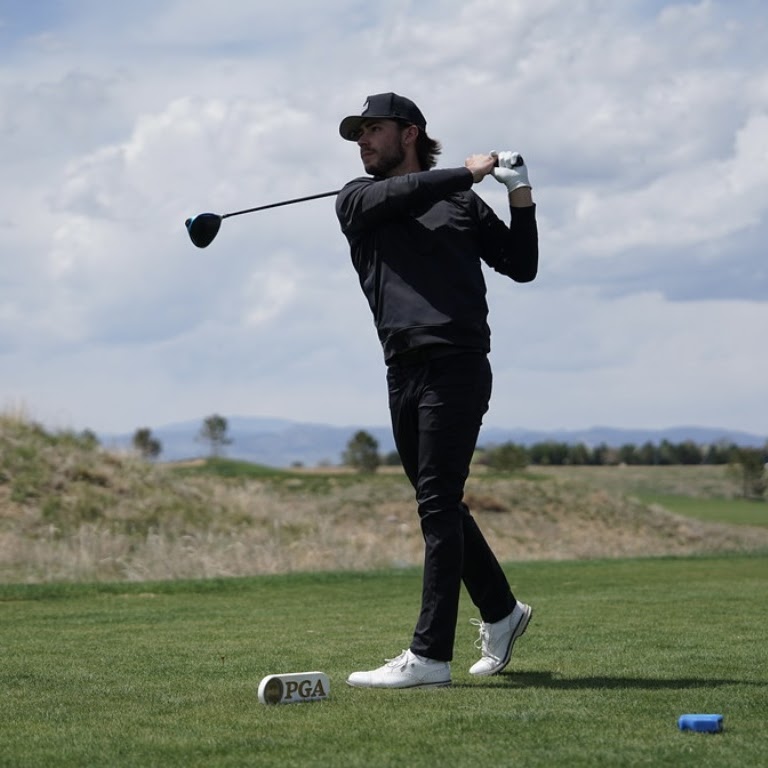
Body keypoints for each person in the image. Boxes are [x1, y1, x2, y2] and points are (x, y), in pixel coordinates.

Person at [335, 92, 539, 688]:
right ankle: (502, 613)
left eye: (373, 129)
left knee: (436, 503)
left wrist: (518, 193)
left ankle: (428, 657)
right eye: (358, 134)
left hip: (456, 365)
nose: (363, 141)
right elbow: (407, 193)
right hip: (402, 371)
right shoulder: (358, 198)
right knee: (441, 502)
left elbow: (521, 264)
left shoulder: (459, 202)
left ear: (410, 133)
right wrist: (467, 172)